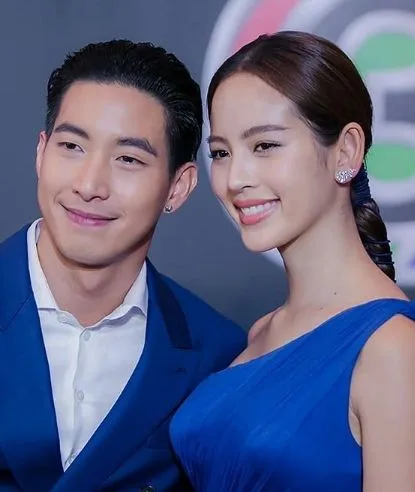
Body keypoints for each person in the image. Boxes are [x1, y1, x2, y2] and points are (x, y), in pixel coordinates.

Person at [170, 31, 415, 491]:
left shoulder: (393, 350)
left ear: (346, 151)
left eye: (265, 146)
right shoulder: (262, 333)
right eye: (221, 153)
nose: (235, 178)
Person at [0, 40, 246, 492]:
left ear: (178, 187)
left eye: (128, 159)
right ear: (41, 153)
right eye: (72, 146)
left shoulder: (219, 356)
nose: (90, 184)